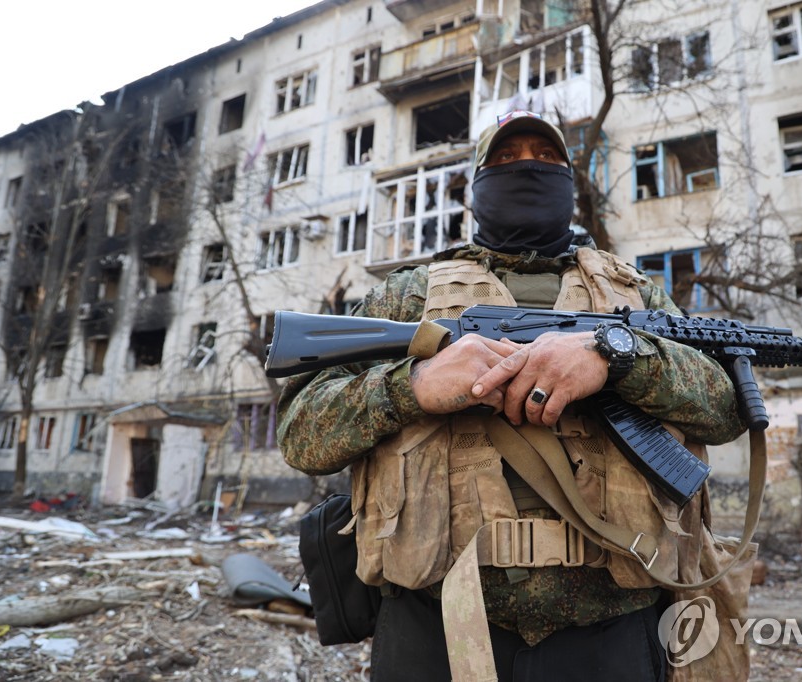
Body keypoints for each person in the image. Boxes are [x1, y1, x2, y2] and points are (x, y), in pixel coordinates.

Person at [277, 110, 746, 681]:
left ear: (571, 186)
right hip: (435, 625)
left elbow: (726, 408)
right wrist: (414, 386)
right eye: (506, 159)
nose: (528, 167)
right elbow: (301, 433)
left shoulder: (634, 295)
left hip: (613, 628)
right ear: (477, 187)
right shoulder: (410, 295)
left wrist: (615, 356)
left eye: (548, 159)